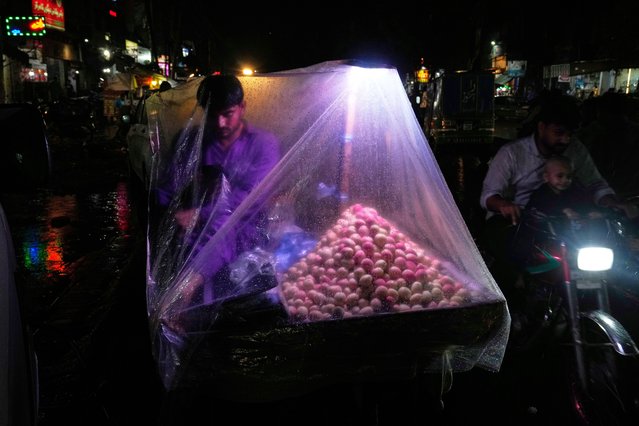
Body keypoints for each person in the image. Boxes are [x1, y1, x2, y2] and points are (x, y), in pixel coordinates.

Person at [479, 92, 637, 303]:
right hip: (518, 221)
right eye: (559, 132)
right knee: (507, 266)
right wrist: (504, 205)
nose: (566, 139)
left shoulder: (576, 150)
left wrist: (611, 202)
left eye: (570, 134)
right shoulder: (512, 154)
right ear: (541, 127)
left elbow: (595, 183)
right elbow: (488, 195)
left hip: (562, 221)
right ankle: (509, 310)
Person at [152, 74, 281, 307]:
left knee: (224, 227)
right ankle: (182, 299)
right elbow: (167, 187)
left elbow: (250, 198)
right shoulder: (191, 141)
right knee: (188, 237)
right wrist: (172, 215)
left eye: (227, 114)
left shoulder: (263, 144)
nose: (220, 123)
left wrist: (202, 214)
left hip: (244, 226)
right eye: (212, 115)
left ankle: (187, 288)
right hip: (191, 225)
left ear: (242, 107)